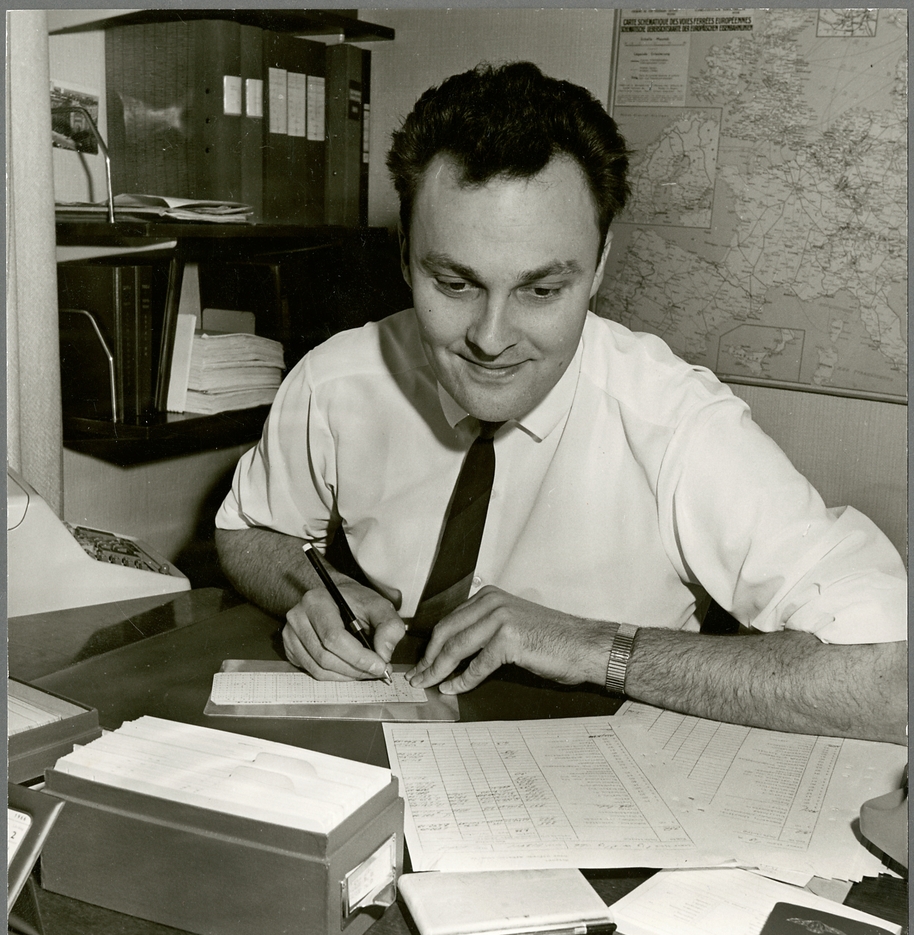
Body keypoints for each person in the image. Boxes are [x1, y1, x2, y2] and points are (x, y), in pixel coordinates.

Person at [215, 62, 906, 745]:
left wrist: (592, 646)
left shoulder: (677, 424)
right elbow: (247, 528)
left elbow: (889, 676)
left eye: (541, 291)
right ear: (405, 256)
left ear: (599, 266)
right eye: (454, 283)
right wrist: (319, 590)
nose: (490, 339)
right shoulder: (337, 380)